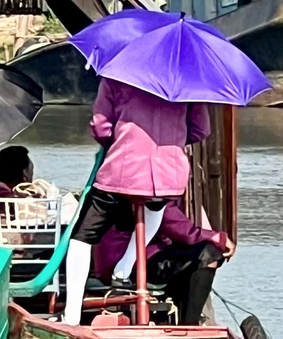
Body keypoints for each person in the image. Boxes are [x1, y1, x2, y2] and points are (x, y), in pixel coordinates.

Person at [62, 78, 210, 324]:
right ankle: (124, 268)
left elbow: (101, 127)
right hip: (168, 174)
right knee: (155, 208)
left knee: (82, 237)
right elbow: (200, 130)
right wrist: (170, 141)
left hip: (123, 169)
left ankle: (71, 315)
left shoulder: (117, 76)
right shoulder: (186, 82)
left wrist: (120, 140)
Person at [93, 203, 235, 325]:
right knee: (210, 252)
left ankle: (178, 320)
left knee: (186, 257)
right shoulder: (154, 188)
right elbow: (174, 224)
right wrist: (216, 237)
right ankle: (190, 325)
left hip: (112, 260)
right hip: (130, 261)